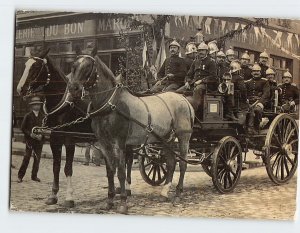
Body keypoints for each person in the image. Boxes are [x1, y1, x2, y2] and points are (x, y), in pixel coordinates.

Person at [179, 42, 217, 113]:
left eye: (203, 50)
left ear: (207, 52)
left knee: (197, 89)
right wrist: (187, 81)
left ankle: (194, 112)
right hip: (194, 83)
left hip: (206, 85)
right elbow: (189, 74)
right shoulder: (195, 61)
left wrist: (201, 81)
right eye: (199, 50)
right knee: (178, 91)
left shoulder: (211, 62)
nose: (201, 52)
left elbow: (213, 77)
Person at [17, 96, 44, 183]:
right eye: (35, 105)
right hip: (30, 141)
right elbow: (23, 128)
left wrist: (41, 135)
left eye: (38, 105)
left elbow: (44, 128)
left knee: (37, 159)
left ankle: (34, 176)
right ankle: (20, 176)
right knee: (26, 158)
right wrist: (30, 134)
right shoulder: (28, 116)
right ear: (32, 106)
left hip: (39, 141)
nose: (37, 106)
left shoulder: (43, 116)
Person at [245, 63, 270, 134]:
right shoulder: (248, 82)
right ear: (252, 72)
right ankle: (245, 129)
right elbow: (245, 93)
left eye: (257, 71)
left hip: (260, 101)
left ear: (260, 72)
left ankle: (256, 128)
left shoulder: (265, 81)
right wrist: (246, 100)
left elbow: (266, 93)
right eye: (254, 71)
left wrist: (260, 102)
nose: (256, 73)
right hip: (249, 102)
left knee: (257, 110)